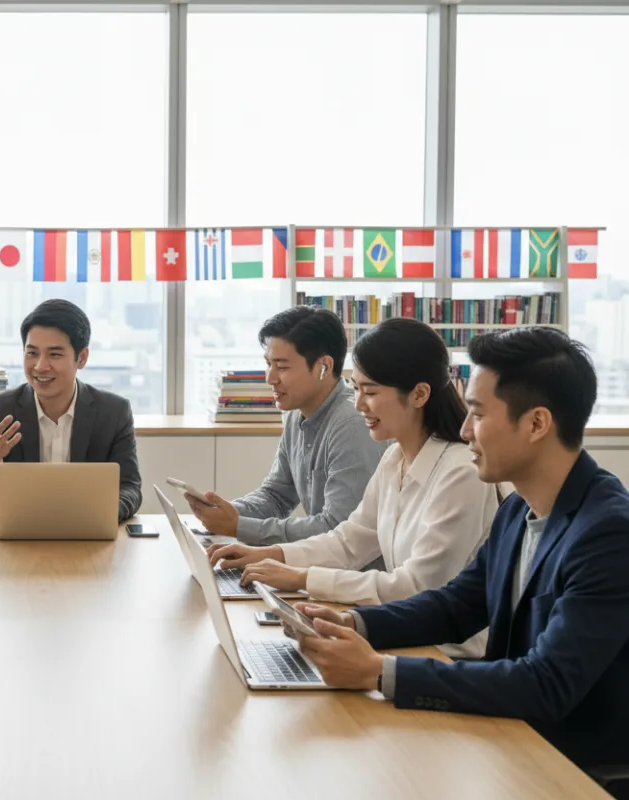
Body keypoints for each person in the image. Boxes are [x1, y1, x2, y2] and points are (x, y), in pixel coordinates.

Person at [290, 328, 629, 776]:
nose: (465, 430)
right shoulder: (518, 511)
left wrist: (378, 671)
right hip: (511, 736)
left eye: (479, 414)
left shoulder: (608, 534)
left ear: (537, 423)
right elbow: (455, 606)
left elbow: (547, 684)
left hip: (572, 766)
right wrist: (354, 622)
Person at [207, 318, 499, 658]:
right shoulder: (394, 458)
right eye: (355, 388)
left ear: (419, 394)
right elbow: (349, 541)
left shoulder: (460, 473)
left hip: (449, 656)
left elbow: (417, 587)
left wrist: (302, 577)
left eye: (370, 392)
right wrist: (270, 555)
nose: (358, 404)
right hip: (408, 640)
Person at [186, 306, 389, 545]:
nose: (270, 378)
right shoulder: (296, 413)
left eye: (281, 367)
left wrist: (238, 527)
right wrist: (226, 512)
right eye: (268, 364)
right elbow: (276, 496)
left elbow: (338, 528)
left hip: (356, 576)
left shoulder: (352, 423)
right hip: (320, 566)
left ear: (323, 366)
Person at [0, 299, 142, 522]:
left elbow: (130, 488)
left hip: (89, 537)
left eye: (54, 354)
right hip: (17, 544)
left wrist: (100, 512)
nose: (40, 366)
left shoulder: (114, 413)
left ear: (82, 358)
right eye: (32, 353)